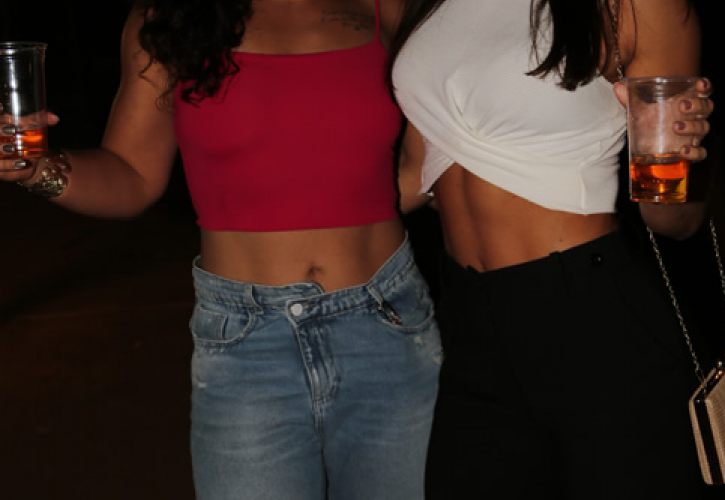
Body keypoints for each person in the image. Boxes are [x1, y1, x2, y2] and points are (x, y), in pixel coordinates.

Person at [0, 0, 441, 499]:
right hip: (248, 344)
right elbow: (132, 173)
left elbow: (422, 168)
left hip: (386, 328)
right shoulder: (168, 17)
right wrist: (39, 169)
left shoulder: (389, 7)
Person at [390, 0, 714, 498]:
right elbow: (415, 173)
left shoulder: (639, 6)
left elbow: (671, 218)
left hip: (588, 314)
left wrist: (679, 152)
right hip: (467, 316)